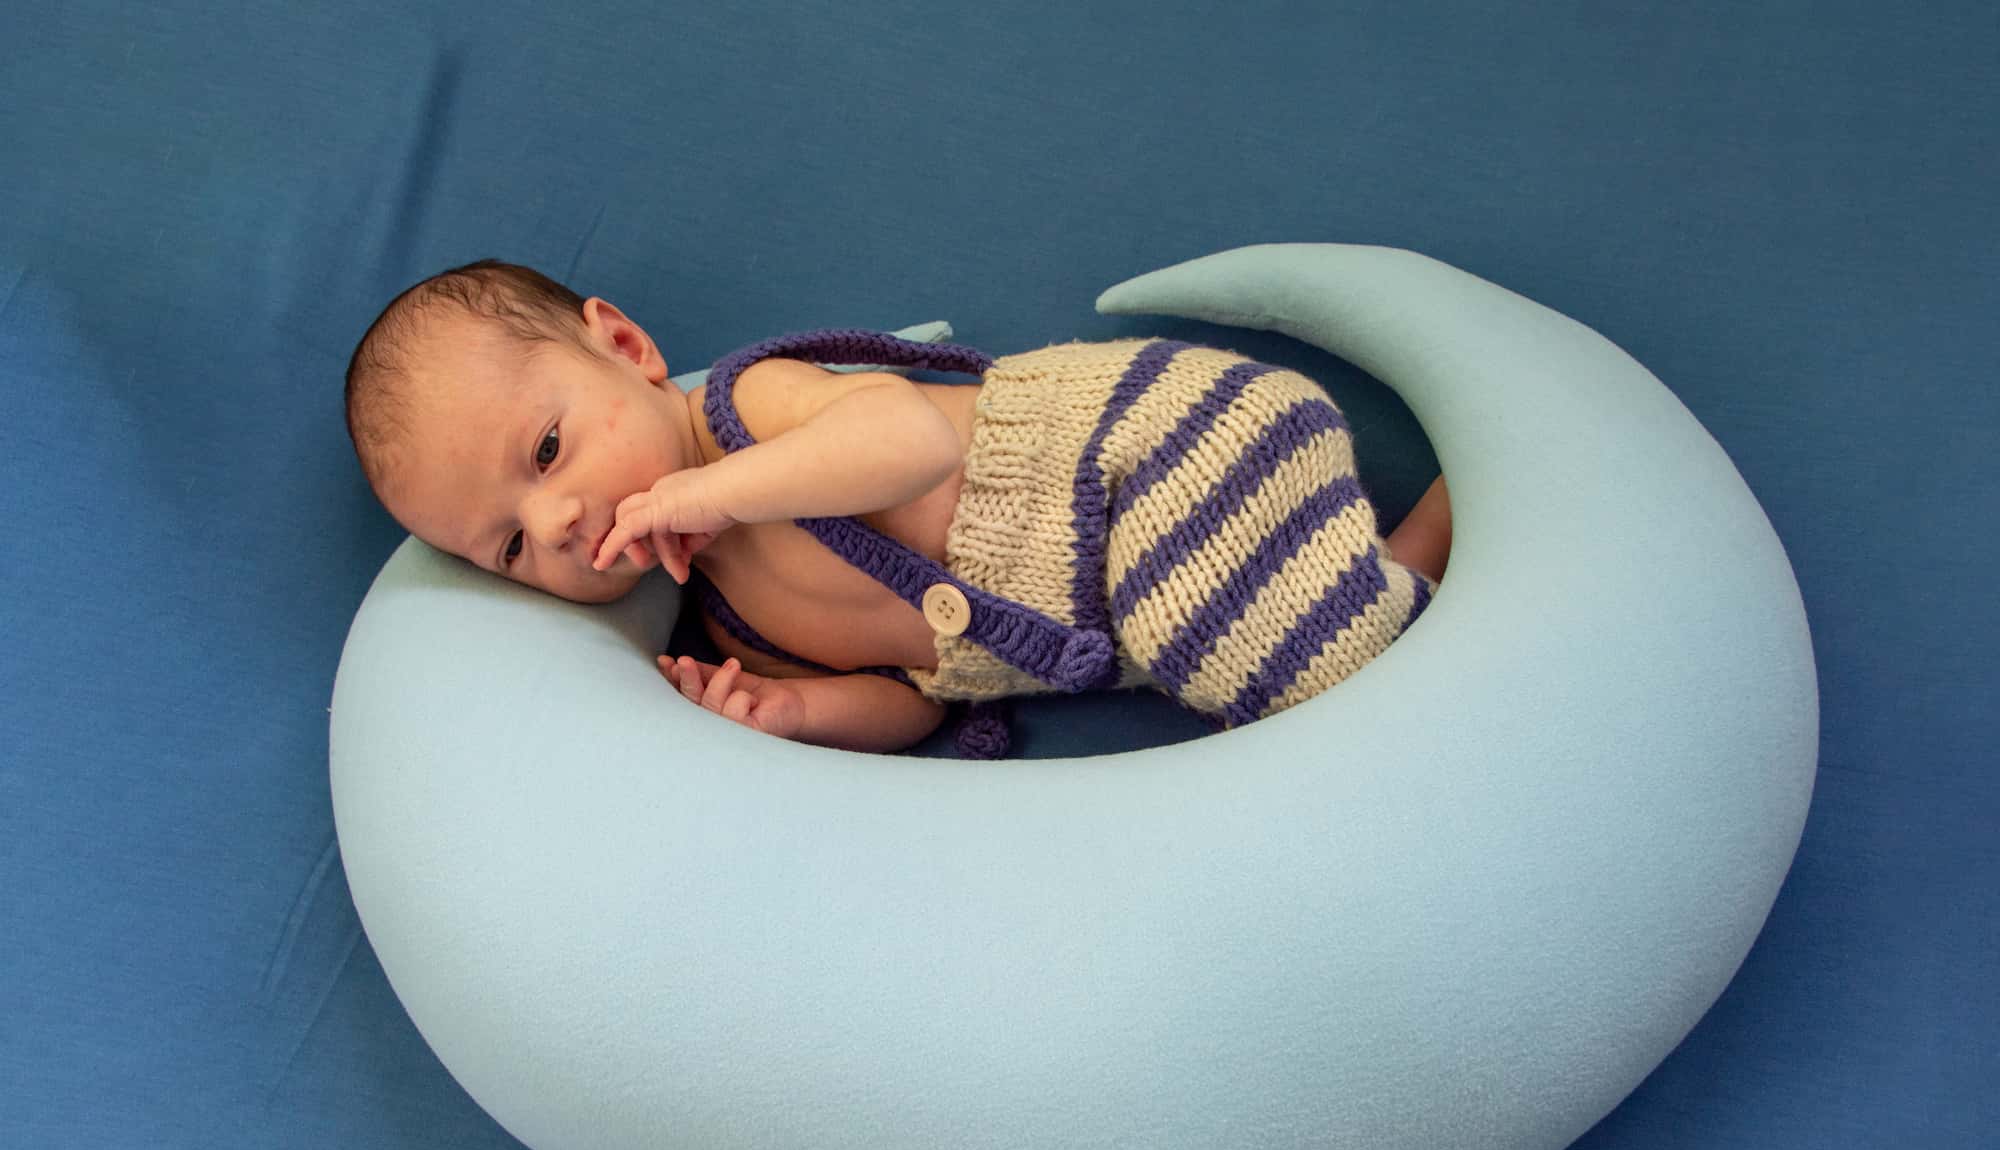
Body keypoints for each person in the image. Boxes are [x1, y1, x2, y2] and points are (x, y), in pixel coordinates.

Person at [344, 260, 1452, 757]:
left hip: (1155, 442)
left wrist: (712, 489)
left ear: (628, 351)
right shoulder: (735, 629)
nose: (554, 524)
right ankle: (1392, 572)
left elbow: (907, 440)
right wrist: (793, 718)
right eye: (505, 545)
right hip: (1142, 582)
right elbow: (910, 703)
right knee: (1244, 682)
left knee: (1241, 661)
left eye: (545, 450)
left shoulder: (744, 408)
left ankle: (1429, 548)